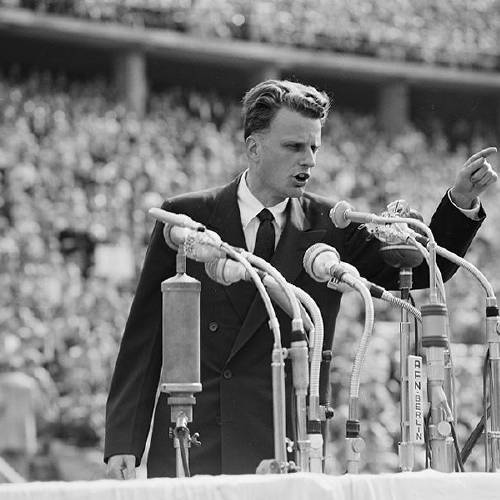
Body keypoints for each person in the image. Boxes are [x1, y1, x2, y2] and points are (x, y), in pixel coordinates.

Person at [104, 80, 497, 478]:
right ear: (254, 148)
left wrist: (460, 203)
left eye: (314, 148)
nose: (308, 160)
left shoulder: (332, 223)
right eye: (294, 147)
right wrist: (123, 440)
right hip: (194, 441)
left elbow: (418, 270)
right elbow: (147, 333)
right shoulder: (187, 218)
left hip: (287, 446)